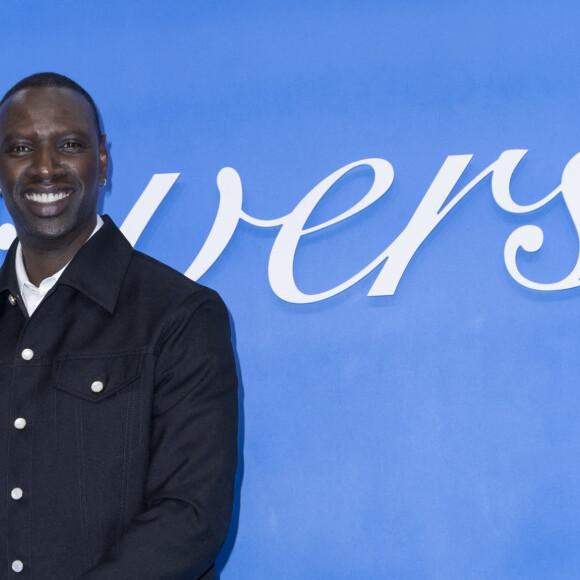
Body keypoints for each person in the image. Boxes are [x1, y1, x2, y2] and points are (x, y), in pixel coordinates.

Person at [0, 73, 238, 579]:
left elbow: (190, 516)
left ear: (102, 160)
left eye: (69, 144)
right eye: (21, 147)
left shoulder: (181, 316)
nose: (44, 167)